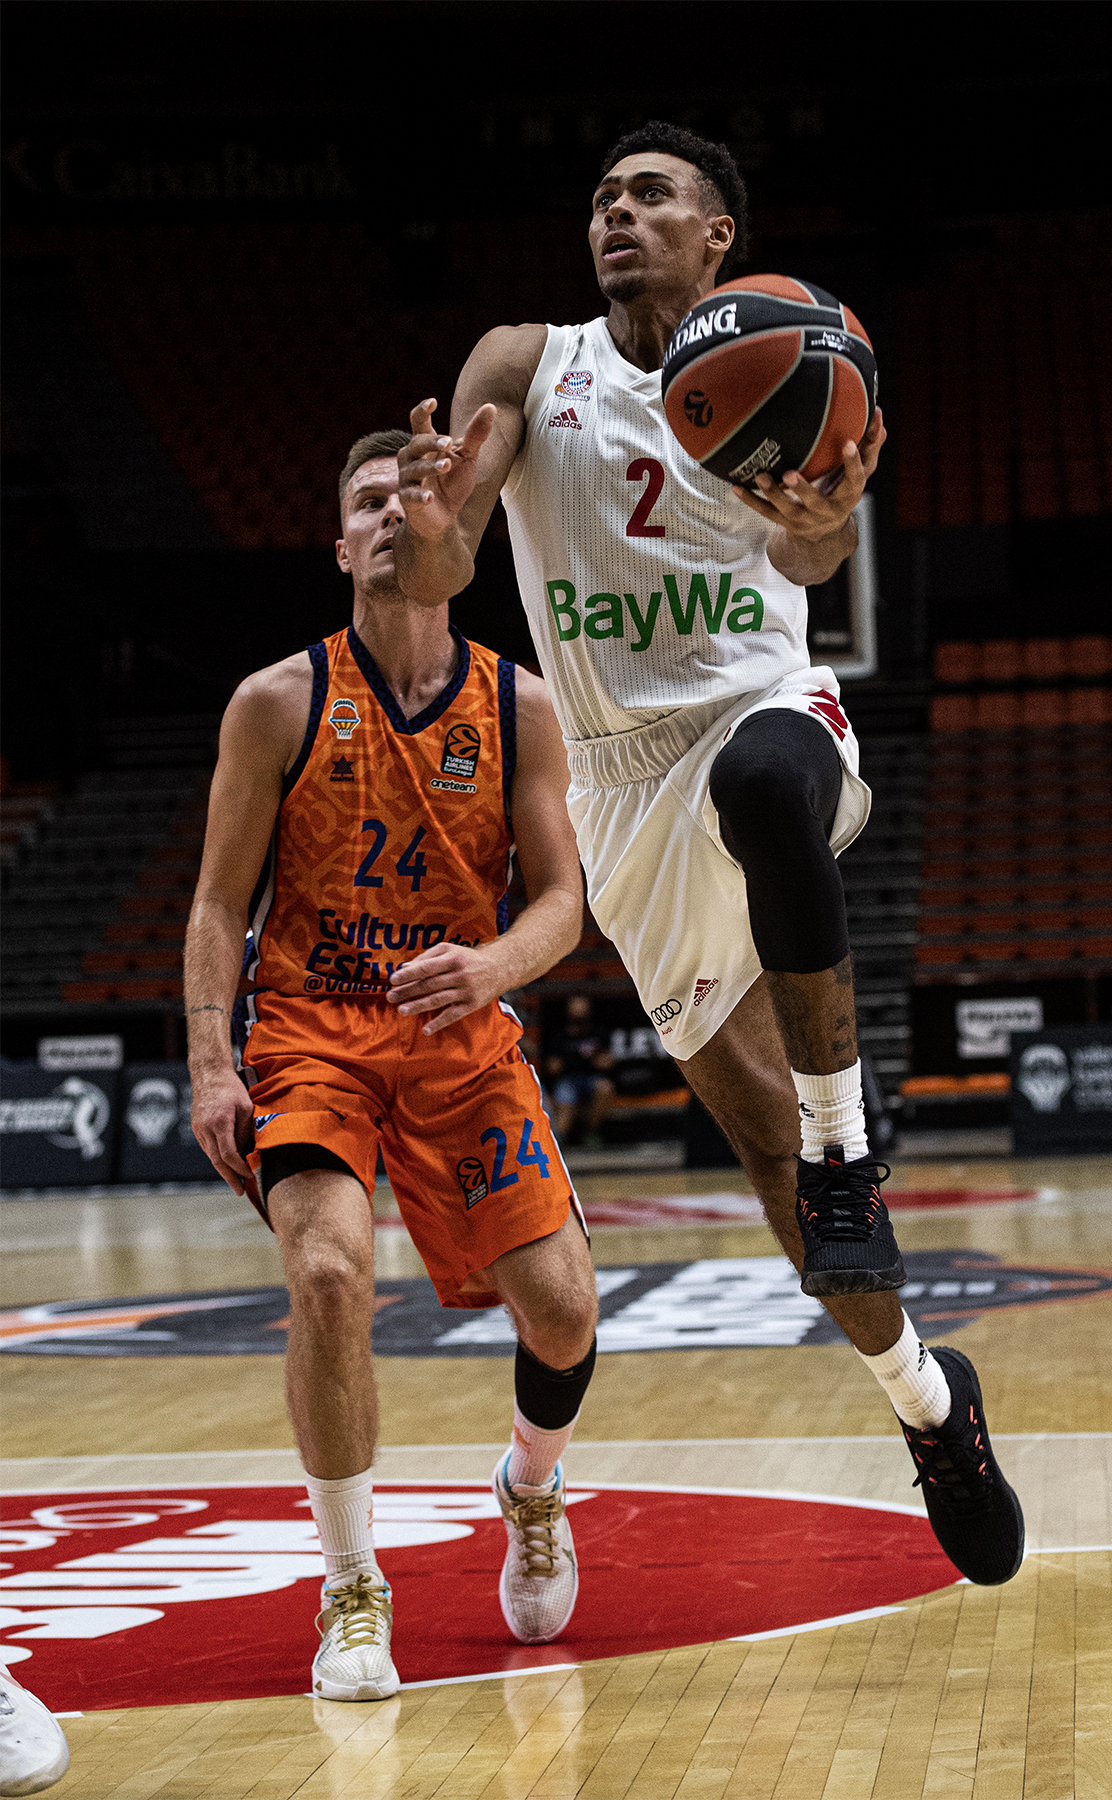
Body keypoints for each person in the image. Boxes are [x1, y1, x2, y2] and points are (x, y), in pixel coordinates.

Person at [388, 121, 1024, 1586]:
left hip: (763, 709)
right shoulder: (522, 361)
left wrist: (826, 526)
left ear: (717, 236)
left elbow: (805, 562)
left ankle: (849, 1138)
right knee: (806, 1226)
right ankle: (933, 1405)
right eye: (604, 197)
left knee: (767, 777)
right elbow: (445, 571)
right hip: (619, 794)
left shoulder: (798, 355)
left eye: (652, 196)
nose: (618, 215)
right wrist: (425, 529)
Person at [185, 431, 601, 1703]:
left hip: (460, 1042)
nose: (384, 517)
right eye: (361, 501)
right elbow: (214, 908)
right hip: (311, 1031)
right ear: (339, 545)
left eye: (408, 498)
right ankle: (352, 1587)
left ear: (451, 536)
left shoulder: (519, 704)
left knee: (567, 1311)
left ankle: (529, 1487)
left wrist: (494, 967)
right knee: (326, 1270)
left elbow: (564, 906)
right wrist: (213, 1064)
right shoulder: (275, 701)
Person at [544, 993, 615, 1144]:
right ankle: (559, 1143)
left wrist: (572, 1060)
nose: (579, 1011)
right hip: (567, 1080)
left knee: (605, 1088)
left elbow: (607, 1062)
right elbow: (553, 1067)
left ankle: (590, 1133)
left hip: (591, 1079)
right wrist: (584, 1060)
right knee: (566, 1098)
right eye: (575, 1007)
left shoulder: (598, 1032)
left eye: (582, 1007)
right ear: (568, 1010)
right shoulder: (559, 1035)